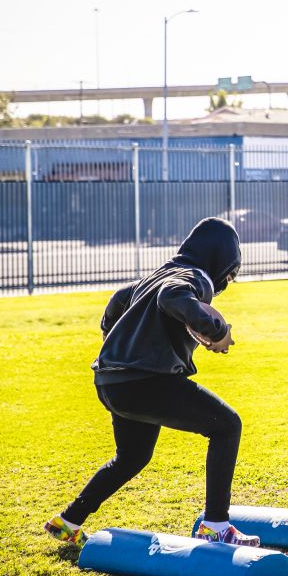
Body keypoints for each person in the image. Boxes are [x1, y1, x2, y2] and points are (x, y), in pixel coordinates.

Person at [43, 217, 260, 547]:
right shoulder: (194, 277)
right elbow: (172, 297)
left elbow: (118, 298)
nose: (226, 282)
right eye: (229, 274)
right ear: (220, 259)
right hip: (146, 381)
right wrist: (217, 331)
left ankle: (69, 520)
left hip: (111, 382)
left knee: (131, 458)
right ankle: (216, 524)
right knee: (227, 426)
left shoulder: (158, 274)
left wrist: (111, 338)